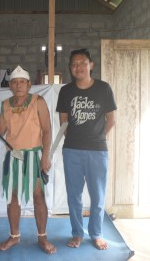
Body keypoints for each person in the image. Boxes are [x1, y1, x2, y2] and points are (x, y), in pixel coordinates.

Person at [0, 65, 57, 254]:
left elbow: (48, 130)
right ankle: (14, 236)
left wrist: (45, 156)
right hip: (13, 156)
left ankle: (42, 237)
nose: (18, 85)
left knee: (38, 197)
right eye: (14, 82)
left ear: (29, 84)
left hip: (34, 155)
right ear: (10, 86)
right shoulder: (6, 104)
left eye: (22, 82)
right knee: (12, 198)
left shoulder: (38, 101)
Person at [56, 48, 117, 250]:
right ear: (71, 69)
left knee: (98, 195)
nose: (78, 67)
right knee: (74, 195)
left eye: (82, 62)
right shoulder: (66, 91)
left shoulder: (104, 88)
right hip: (71, 150)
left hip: (98, 151)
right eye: (74, 64)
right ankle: (77, 233)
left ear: (91, 65)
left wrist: (97, 138)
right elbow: (63, 122)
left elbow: (111, 119)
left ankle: (97, 233)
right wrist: (74, 140)